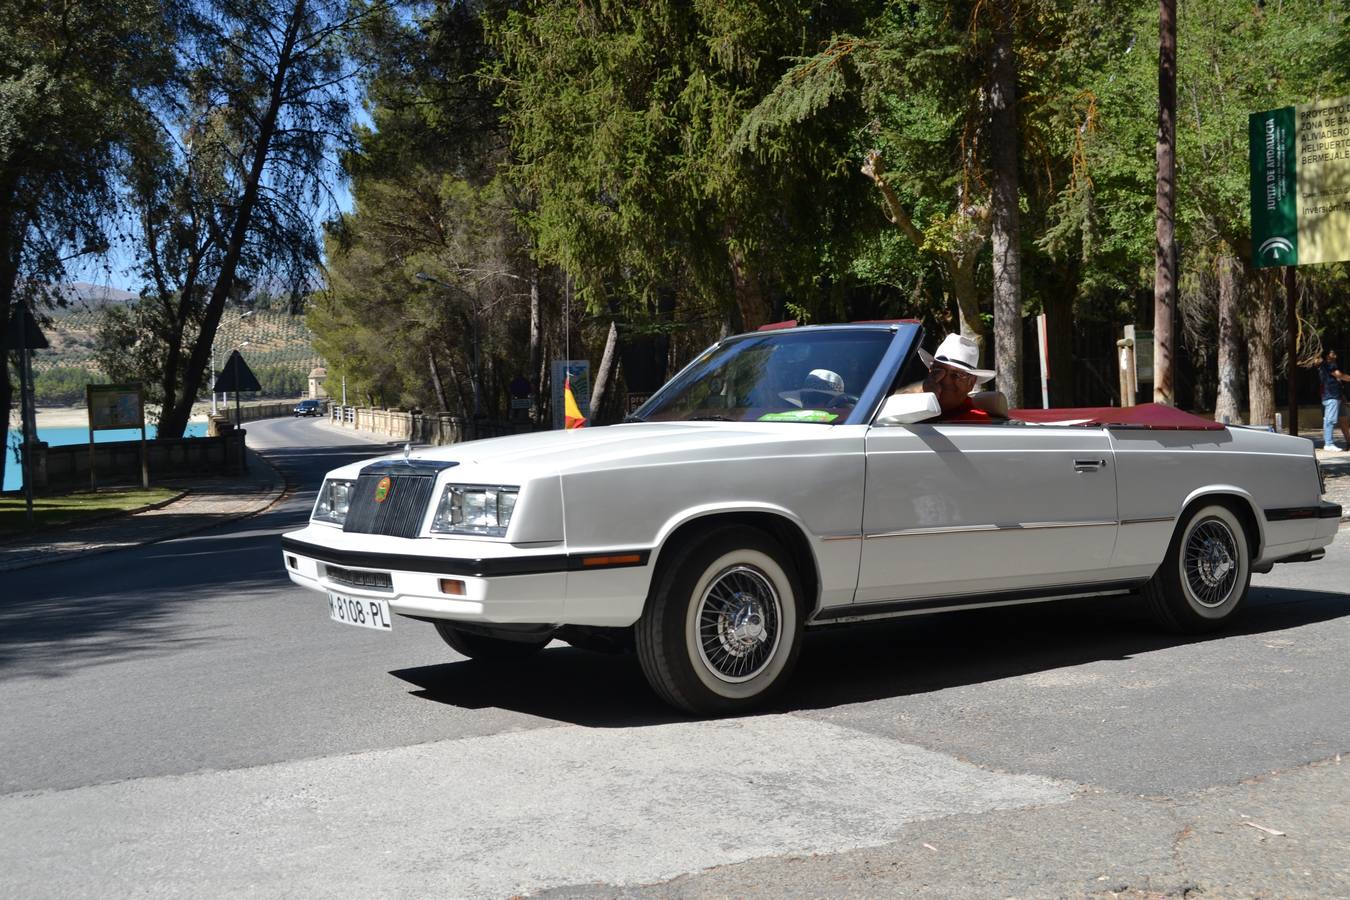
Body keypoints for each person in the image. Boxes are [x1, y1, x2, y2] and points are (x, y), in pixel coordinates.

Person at [918, 334, 1003, 422]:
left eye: (957, 374)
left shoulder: (974, 421)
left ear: (971, 382)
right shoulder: (913, 409)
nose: (946, 380)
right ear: (930, 372)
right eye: (939, 370)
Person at [1318, 349, 1350, 451]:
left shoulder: (1329, 365)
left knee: (1344, 420)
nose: (1335, 355)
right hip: (1331, 396)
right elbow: (1339, 375)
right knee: (1330, 420)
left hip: (1337, 396)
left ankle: (1349, 442)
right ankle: (1328, 444)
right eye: (1332, 353)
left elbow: (1338, 381)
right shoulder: (1329, 365)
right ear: (1327, 356)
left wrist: (1343, 397)